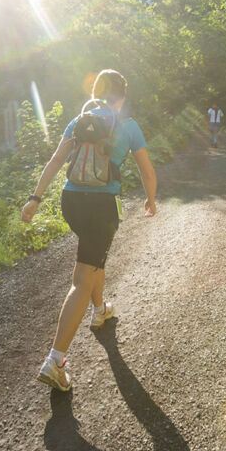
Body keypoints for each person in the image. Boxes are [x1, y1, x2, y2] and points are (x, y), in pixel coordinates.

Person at [21, 69, 157, 392]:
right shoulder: (127, 125)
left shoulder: (79, 120)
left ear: (97, 91)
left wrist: (35, 200)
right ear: (121, 96)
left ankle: (100, 310)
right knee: (83, 277)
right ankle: (55, 360)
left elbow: (56, 160)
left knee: (93, 258)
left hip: (72, 202)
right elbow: (146, 170)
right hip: (101, 206)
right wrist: (151, 200)